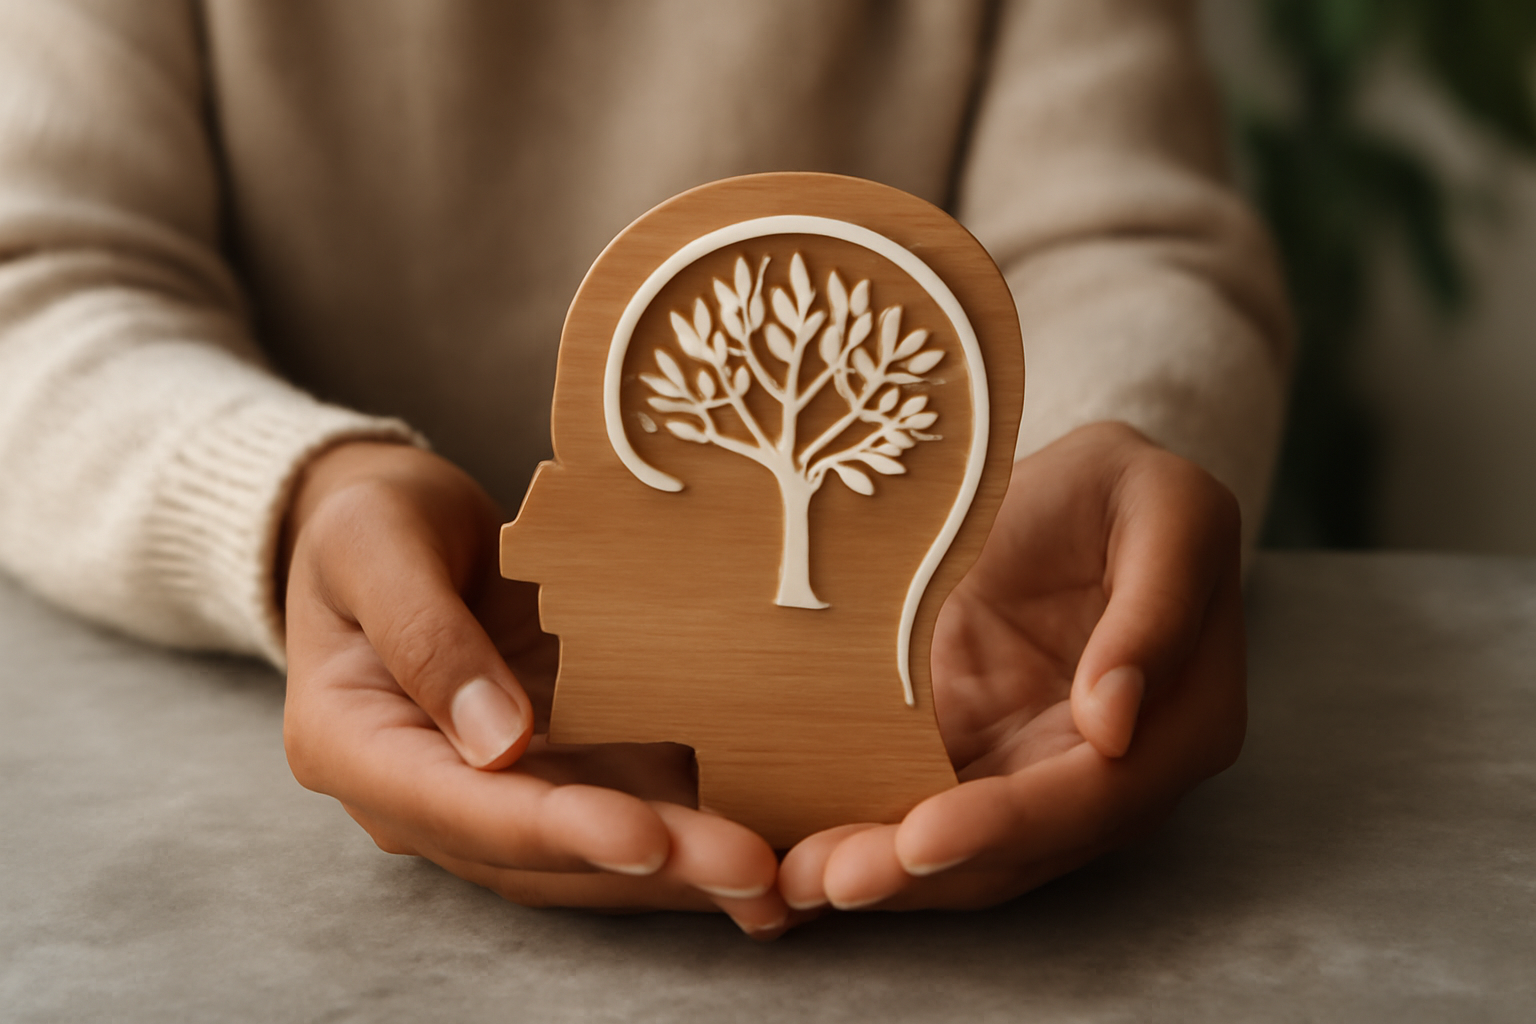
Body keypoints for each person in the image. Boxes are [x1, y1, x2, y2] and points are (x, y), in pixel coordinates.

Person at [0, 0, 1288, 938]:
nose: (545, 526)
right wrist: (299, 497)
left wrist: (1102, 446)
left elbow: (1126, 239)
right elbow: (39, 276)